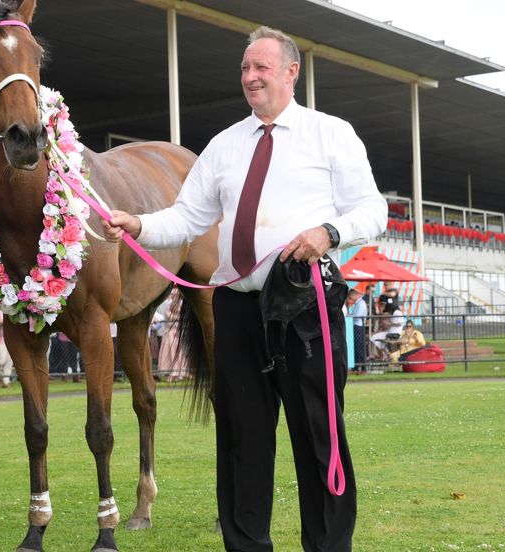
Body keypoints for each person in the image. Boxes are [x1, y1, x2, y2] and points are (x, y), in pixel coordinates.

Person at [103, 25, 386, 550]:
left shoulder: (331, 133)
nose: (251, 77)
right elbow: (187, 218)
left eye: (261, 67)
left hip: (305, 306)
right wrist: (138, 225)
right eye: (244, 68)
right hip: (235, 308)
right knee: (240, 440)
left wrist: (329, 232)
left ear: (291, 72)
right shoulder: (224, 145)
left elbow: (374, 209)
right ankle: (246, 543)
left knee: (319, 435)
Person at [347, 287, 368, 371]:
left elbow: (358, 315)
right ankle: (356, 367)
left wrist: (349, 315)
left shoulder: (361, 303)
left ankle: (363, 368)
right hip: (356, 326)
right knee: (356, 347)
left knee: (360, 347)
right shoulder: (358, 303)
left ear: (354, 295)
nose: (351, 299)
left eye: (351, 297)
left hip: (358, 326)